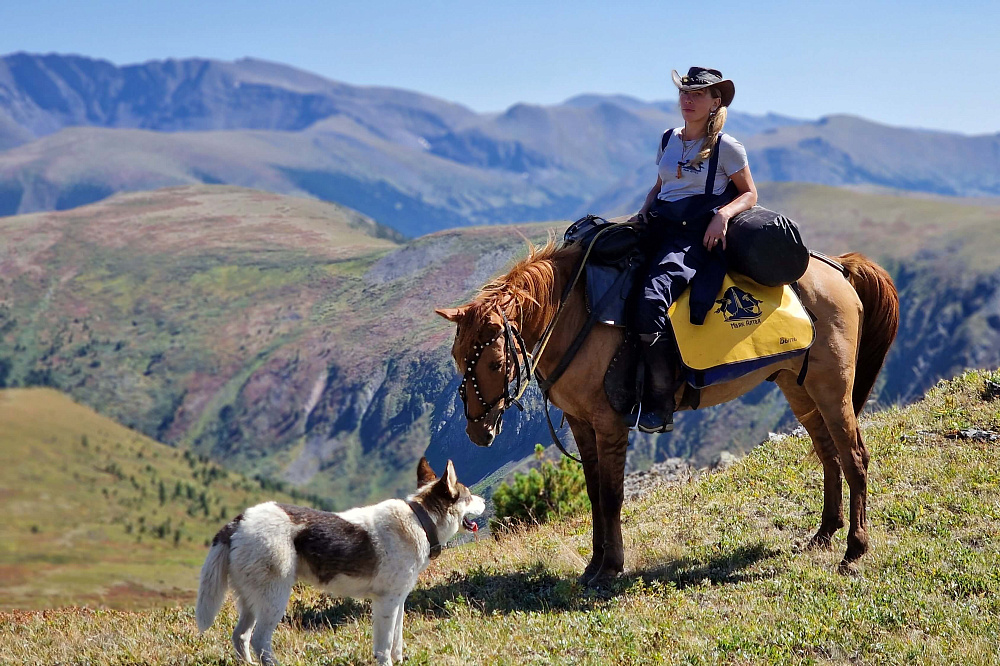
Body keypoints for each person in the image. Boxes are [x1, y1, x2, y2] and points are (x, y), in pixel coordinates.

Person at [627, 66, 759, 433]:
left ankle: (661, 401)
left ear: (716, 101)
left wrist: (723, 216)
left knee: (653, 300)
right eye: (685, 92)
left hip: (693, 235)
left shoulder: (727, 147)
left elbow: (750, 193)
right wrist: (641, 213)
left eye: (698, 94)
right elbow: (660, 186)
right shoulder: (668, 137)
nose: (688, 99)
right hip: (658, 225)